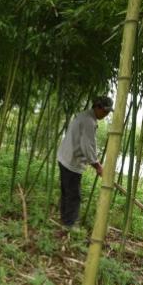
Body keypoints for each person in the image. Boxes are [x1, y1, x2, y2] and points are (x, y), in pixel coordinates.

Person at [57, 96, 113, 231]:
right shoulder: (89, 121)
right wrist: (97, 166)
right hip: (71, 162)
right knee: (73, 196)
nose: (106, 115)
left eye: (108, 113)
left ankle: (64, 221)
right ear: (97, 107)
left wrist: (95, 164)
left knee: (67, 193)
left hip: (64, 157)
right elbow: (87, 146)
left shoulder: (84, 116)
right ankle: (69, 226)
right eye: (105, 112)